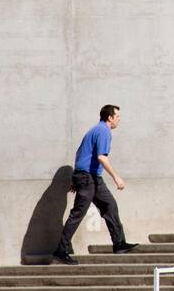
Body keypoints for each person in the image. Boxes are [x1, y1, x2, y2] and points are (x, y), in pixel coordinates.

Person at [53, 104, 138, 264]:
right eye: (117, 116)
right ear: (110, 118)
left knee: (110, 205)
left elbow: (80, 152)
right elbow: (101, 157)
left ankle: (119, 243)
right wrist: (116, 177)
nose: (119, 119)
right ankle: (61, 250)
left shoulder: (95, 130)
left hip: (90, 177)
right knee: (78, 213)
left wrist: (75, 178)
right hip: (88, 178)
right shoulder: (104, 131)